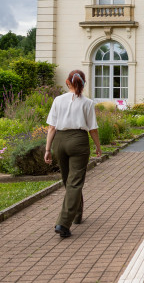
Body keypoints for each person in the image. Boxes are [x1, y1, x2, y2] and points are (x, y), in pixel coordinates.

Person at [43, 70, 101, 238]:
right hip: (78, 141)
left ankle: (77, 215)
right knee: (74, 183)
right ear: (83, 84)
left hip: (59, 141)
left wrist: (48, 149)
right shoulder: (88, 103)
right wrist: (98, 146)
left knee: (69, 181)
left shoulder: (58, 100)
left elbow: (52, 127)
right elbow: (93, 128)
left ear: (67, 82)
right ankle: (63, 223)